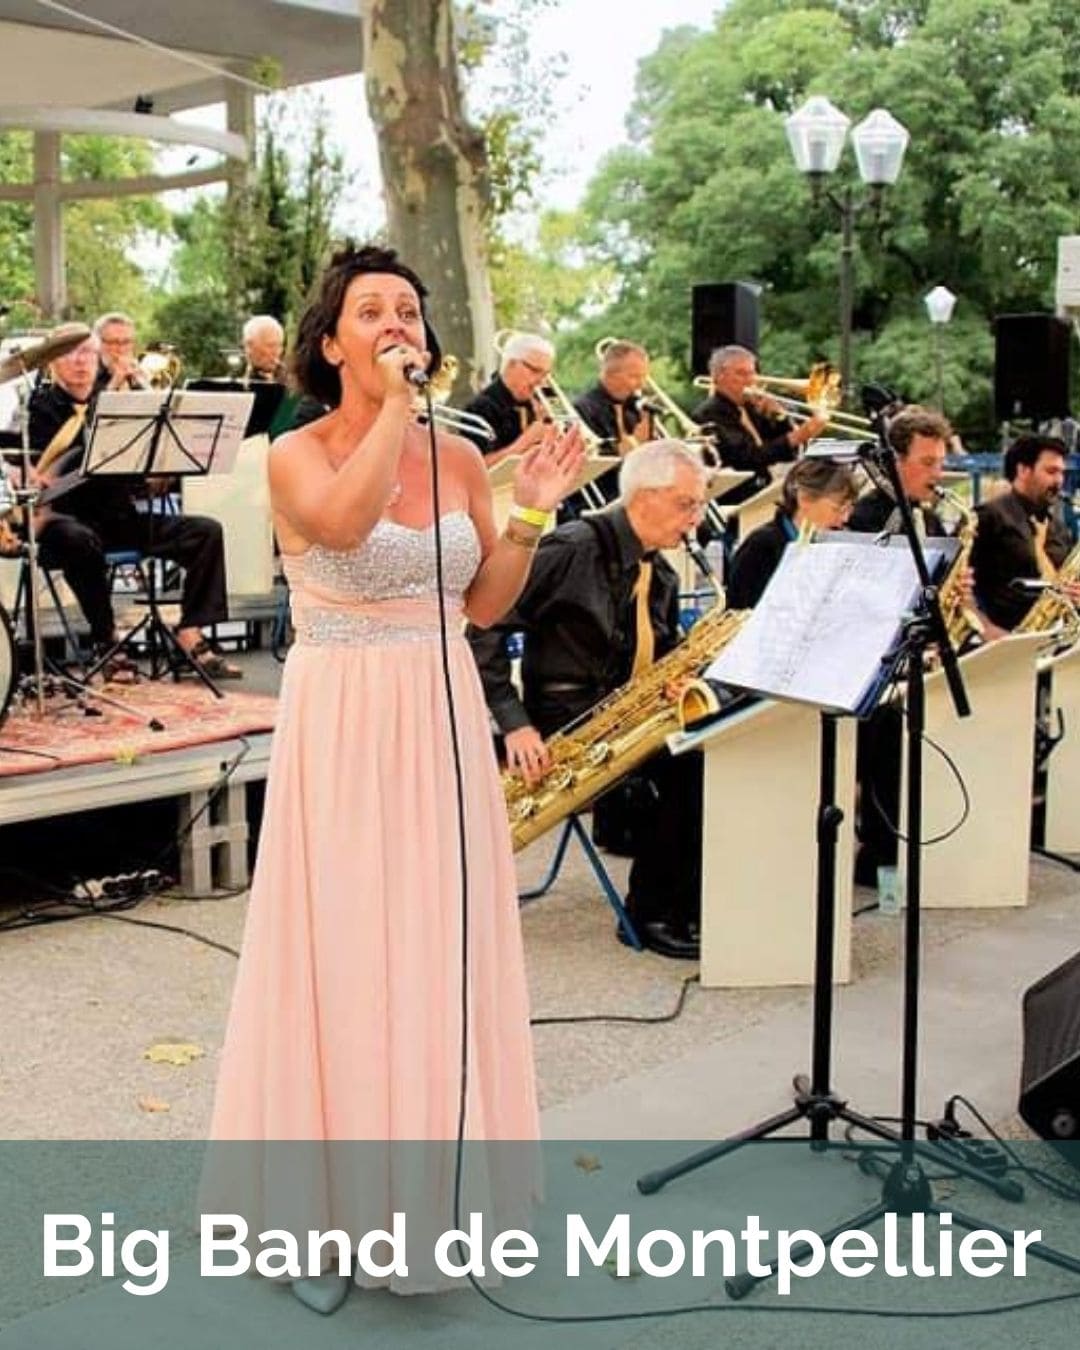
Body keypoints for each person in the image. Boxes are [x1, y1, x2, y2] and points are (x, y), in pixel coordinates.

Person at [202, 243, 584, 1312]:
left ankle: (434, 1201)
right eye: (371, 312)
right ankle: (324, 1213)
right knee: (347, 949)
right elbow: (342, 525)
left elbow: (486, 604)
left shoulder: (463, 457)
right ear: (332, 344)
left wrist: (534, 508)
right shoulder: (295, 450)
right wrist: (392, 415)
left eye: (408, 310)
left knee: (435, 947)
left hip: (441, 709)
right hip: (345, 720)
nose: (396, 323)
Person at [467, 439, 709, 960]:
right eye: (687, 504)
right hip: (561, 718)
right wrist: (514, 723)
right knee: (687, 769)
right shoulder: (572, 548)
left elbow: (660, 649)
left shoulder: (658, 572)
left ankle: (685, 899)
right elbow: (481, 627)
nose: (696, 521)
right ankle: (651, 913)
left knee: (707, 745)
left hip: (617, 711)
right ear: (643, 496)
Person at [28, 330, 241, 680]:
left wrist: (158, 470)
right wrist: (111, 395)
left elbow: (126, 469)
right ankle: (106, 641)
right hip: (62, 521)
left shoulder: (116, 400)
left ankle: (191, 630)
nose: (81, 361)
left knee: (205, 532)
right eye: (70, 354)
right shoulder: (41, 406)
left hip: (116, 518)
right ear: (52, 360)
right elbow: (60, 466)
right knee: (79, 540)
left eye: (88, 353)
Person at [970, 434, 1074, 632]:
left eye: (1062, 473)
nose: (1059, 481)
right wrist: (986, 629)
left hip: (1054, 636)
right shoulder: (989, 516)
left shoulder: (1057, 527)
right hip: (1002, 639)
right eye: (1051, 471)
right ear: (1023, 470)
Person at [692, 345, 826, 497]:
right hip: (736, 497)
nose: (750, 380)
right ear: (719, 377)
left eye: (752, 373)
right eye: (741, 373)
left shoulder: (752, 407)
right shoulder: (709, 413)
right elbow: (747, 457)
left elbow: (787, 454)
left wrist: (780, 417)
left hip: (764, 489)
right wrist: (797, 436)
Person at [726, 459, 860, 609]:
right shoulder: (761, 547)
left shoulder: (835, 545)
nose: (845, 518)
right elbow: (740, 612)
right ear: (804, 498)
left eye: (850, 509)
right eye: (838, 509)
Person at [847, 405, 952, 536]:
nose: (938, 474)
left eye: (940, 463)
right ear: (896, 461)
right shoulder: (863, 518)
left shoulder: (929, 518)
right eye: (928, 462)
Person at [461, 331, 554, 464]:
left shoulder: (537, 403)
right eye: (535, 370)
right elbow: (476, 467)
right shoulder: (479, 408)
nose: (542, 381)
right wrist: (526, 441)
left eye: (545, 374)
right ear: (511, 364)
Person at [93, 311, 151, 390]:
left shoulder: (137, 372)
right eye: (114, 342)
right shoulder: (84, 372)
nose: (121, 349)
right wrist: (115, 383)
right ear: (97, 343)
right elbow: (87, 402)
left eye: (126, 342)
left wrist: (145, 383)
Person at [242, 313, 287, 382]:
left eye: (280, 345)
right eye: (271, 346)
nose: (277, 352)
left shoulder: (292, 381)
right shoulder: (233, 378)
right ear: (250, 346)